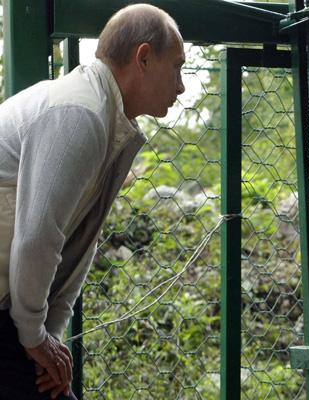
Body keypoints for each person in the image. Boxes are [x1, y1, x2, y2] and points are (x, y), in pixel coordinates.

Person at [0, 4, 185, 399]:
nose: (182, 85)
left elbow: (79, 244)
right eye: (177, 67)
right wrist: (36, 338)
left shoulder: (106, 117)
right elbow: (37, 239)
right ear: (144, 57)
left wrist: (46, 336)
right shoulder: (81, 113)